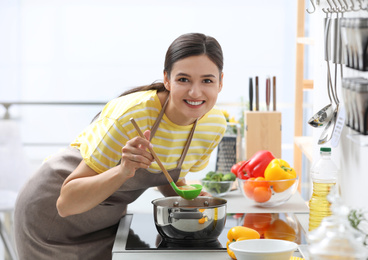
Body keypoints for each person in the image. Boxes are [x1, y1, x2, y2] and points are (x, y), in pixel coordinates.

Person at [14, 32, 226, 259]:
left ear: (221, 82)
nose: (195, 92)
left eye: (207, 80)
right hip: (50, 218)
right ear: (167, 79)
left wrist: (187, 196)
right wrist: (123, 170)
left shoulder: (213, 125)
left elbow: (165, 176)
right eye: (183, 79)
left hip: (105, 224)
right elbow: (65, 203)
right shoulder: (132, 116)